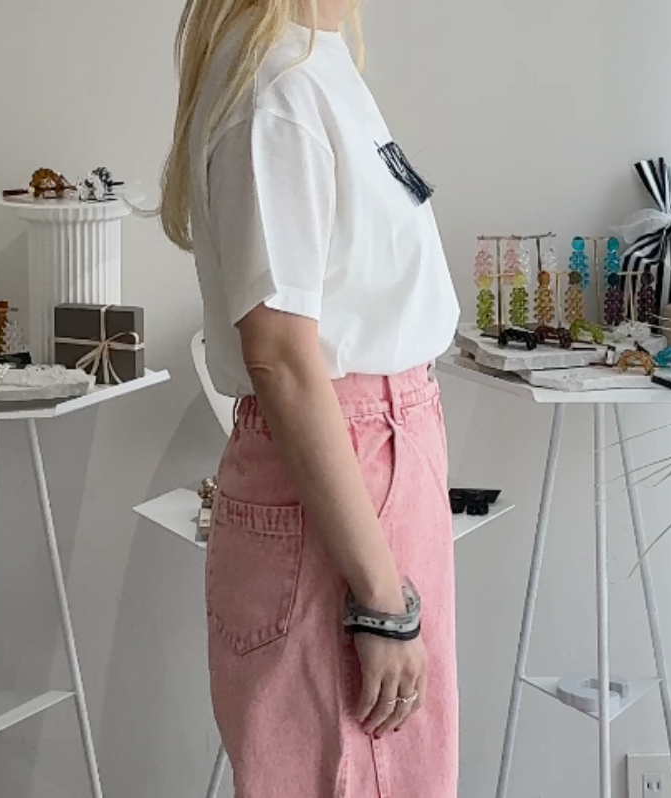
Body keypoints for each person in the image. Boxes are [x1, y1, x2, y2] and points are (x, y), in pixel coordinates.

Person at [160, 0, 460, 795]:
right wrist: (381, 601)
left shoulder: (312, 64)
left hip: (378, 453)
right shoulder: (277, 89)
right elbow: (283, 359)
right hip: (350, 459)